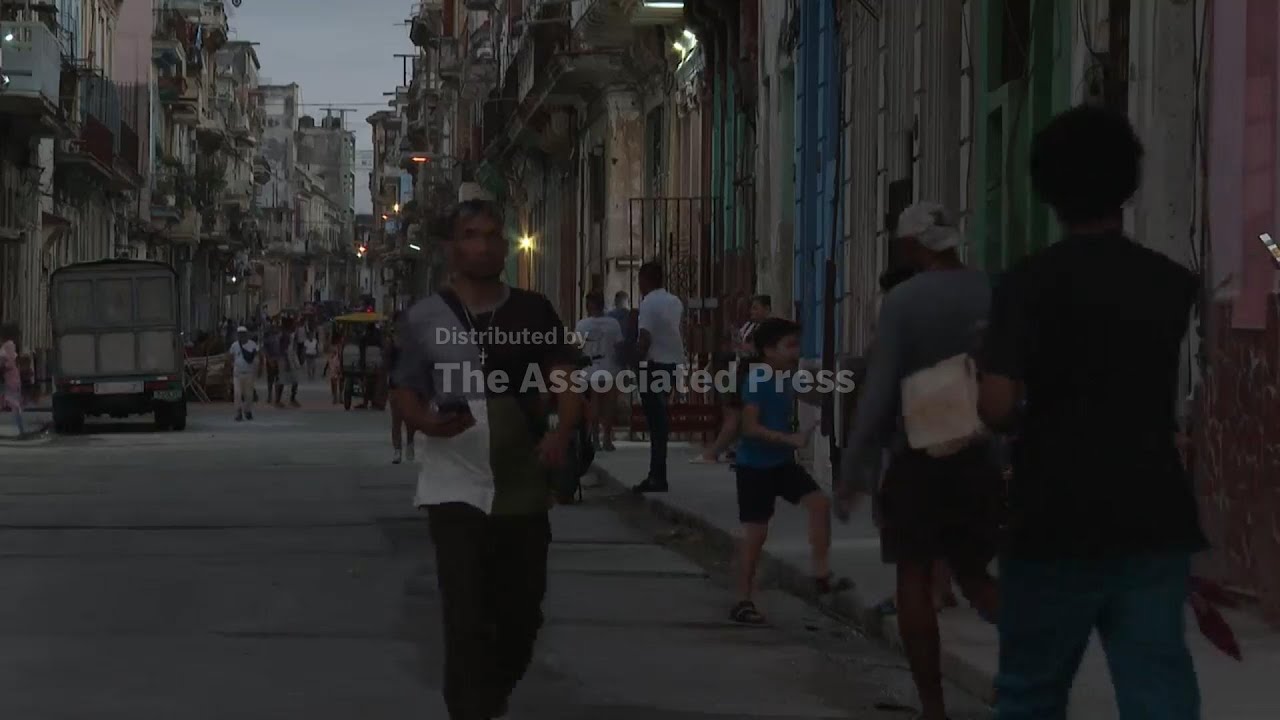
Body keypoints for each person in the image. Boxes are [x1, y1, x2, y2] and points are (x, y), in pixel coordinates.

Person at [979, 105, 1203, 720]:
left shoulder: (1026, 283)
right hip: (1152, 511)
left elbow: (997, 405)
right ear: (1128, 184)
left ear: (1046, 189)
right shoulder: (1170, 281)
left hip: (1053, 512)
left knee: (1030, 690)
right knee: (1158, 690)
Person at [391, 187, 583, 720]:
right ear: (451, 248)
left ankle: (491, 693)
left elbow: (564, 378)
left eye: (493, 236)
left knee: (522, 614)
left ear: (506, 246)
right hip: (453, 484)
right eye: (470, 236)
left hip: (522, 485)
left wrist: (561, 433)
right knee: (465, 613)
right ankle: (470, 709)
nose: (482, 246)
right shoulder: (425, 317)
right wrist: (427, 422)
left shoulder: (533, 310)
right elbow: (405, 390)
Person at [840, 202, 1002, 720]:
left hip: (917, 456)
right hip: (979, 454)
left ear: (912, 246)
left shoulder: (904, 300)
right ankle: (1034, 680)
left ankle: (933, 707)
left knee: (912, 576)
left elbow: (880, 389)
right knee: (976, 576)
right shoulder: (992, 290)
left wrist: (855, 468)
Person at [729, 317, 850, 625]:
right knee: (756, 534)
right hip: (754, 467)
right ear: (769, 350)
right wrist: (789, 439)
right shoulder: (757, 380)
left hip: (781, 463)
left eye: (798, 344)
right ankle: (743, 599)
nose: (797, 351)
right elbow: (749, 427)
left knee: (819, 504)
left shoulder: (786, 376)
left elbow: (809, 392)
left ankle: (821, 575)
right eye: (791, 345)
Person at [695, 294, 772, 464]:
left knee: (735, 415)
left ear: (767, 309)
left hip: (753, 375)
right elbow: (740, 347)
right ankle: (734, 448)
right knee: (736, 413)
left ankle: (714, 452)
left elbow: (755, 351)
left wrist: (743, 347)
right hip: (740, 372)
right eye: (751, 308)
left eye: (756, 308)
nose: (752, 312)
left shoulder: (767, 329)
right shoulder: (749, 326)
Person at [631, 261, 685, 493]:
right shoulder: (675, 301)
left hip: (653, 365)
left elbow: (645, 337)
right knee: (661, 420)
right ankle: (657, 473)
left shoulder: (648, 302)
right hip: (672, 363)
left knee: (655, 422)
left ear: (645, 279)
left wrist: (634, 361)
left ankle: (657, 476)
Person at [575, 290, 624, 451]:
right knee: (609, 405)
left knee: (594, 404)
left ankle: (595, 439)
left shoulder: (582, 325)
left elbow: (576, 347)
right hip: (609, 368)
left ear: (588, 306)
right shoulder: (613, 324)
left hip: (590, 370)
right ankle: (607, 439)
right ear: (602, 305)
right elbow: (619, 346)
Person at [387, 312, 414, 464]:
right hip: (395, 385)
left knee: (409, 418)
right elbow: (387, 362)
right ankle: (397, 450)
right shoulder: (391, 341)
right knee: (396, 420)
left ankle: (410, 444)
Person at [228, 326, 261, 422]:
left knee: (249, 395)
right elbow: (230, 356)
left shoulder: (252, 345)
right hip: (238, 374)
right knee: (237, 393)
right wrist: (230, 367)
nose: (241, 336)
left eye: (243, 333)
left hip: (249, 373)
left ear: (246, 334)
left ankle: (247, 410)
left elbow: (258, 355)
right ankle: (238, 412)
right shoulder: (234, 345)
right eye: (239, 334)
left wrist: (259, 369)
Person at [1, 324, 24, 436]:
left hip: (10, 379)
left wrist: (3, 366)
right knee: (14, 404)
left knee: (14, 403)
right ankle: (21, 429)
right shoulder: (10, 345)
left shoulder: (8, 345)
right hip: (11, 378)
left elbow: (8, 362)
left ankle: (21, 429)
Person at [276, 319, 301, 408]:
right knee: (283, 380)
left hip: (290, 357)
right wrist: (287, 361)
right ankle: (279, 400)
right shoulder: (285, 335)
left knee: (294, 380)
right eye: (293, 324)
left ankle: (291, 399)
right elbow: (283, 349)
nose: (295, 326)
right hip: (286, 358)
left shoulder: (290, 334)